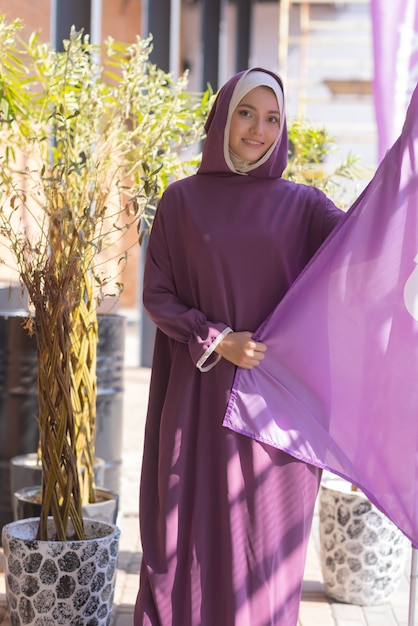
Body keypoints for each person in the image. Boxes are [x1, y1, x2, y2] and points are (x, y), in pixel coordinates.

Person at [134, 68, 344, 626]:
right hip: (199, 396)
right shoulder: (181, 201)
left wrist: (404, 169)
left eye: (272, 118)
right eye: (246, 113)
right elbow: (157, 294)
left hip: (276, 407)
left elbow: (360, 246)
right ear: (223, 117)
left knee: (264, 548)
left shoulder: (304, 206)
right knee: (186, 532)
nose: (258, 129)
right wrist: (216, 338)